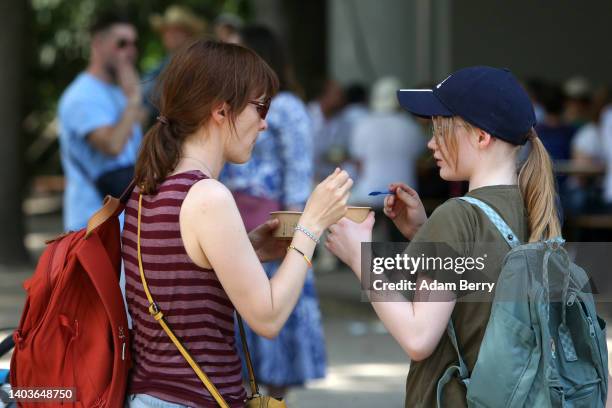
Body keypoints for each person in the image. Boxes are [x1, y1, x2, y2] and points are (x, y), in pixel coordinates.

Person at [122, 39, 352, 407]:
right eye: (260, 108)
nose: (264, 124)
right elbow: (268, 317)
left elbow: (181, 279)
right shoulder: (208, 196)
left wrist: (249, 249)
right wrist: (311, 224)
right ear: (221, 110)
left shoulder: (149, 185)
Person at [325, 66, 562, 406]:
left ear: (481, 137)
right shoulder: (535, 210)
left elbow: (418, 336)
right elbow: (483, 283)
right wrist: (425, 234)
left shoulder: (457, 216)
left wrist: (360, 257)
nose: (430, 142)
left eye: (441, 128)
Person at [220, 25, 324, 399]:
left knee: (276, 328)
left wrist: (294, 242)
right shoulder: (229, 104)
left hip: (274, 226)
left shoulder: (288, 108)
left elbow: (298, 178)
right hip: (229, 224)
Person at [58, 12, 143, 231]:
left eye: (134, 43)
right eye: (122, 43)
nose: (130, 51)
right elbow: (113, 146)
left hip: (120, 220)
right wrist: (133, 100)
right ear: (98, 44)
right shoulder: (82, 95)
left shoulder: (118, 91)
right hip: (91, 226)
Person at [143, 5, 206, 121]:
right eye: (167, 30)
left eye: (177, 30)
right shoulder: (160, 65)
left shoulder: (199, 62)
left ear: (188, 34)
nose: (171, 35)